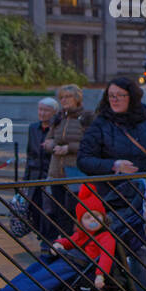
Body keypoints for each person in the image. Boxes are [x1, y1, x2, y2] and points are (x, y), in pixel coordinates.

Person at [77, 77, 146, 291]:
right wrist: (113, 165)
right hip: (113, 199)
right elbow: (84, 159)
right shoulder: (100, 124)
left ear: (132, 97)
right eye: (111, 96)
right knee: (113, 250)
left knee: (143, 252)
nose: (115, 100)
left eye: (120, 95)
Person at [0, 184, 116, 291]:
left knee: (45, 278)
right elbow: (71, 240)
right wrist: (59, 244)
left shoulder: (106, 237)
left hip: (83, 266)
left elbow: (106, 257)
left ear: (103, 217)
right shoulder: (83, 234)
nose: (93, 220)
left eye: (96, 216)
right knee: (38, 270)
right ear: (81, 221)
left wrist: (100, 275)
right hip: (73, 260)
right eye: (87, 217)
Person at [43, 85, 94, 242]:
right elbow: (49, 138)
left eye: (68, 97)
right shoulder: (58, 118)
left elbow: (91, 143)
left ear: (77, 99)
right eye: (62, 97)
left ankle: (80, 244)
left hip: (76, 170)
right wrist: (50, 145)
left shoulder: (87, 117)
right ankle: (65, 243)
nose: (64, 100)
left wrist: (69, 148)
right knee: (59, 210)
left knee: (75, 209)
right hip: (57, 170)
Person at [25, 97, 60, 256]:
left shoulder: (57, 129)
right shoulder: (33, 128)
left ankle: (48, 240)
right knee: (34, 206)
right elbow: (29, 153)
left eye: (46, 110)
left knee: (48, 209)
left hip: (49, 173)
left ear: (54, 112)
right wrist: (25, 179)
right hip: (34, 173)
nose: (42, 113)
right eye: (40, 109)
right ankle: (41, 235)